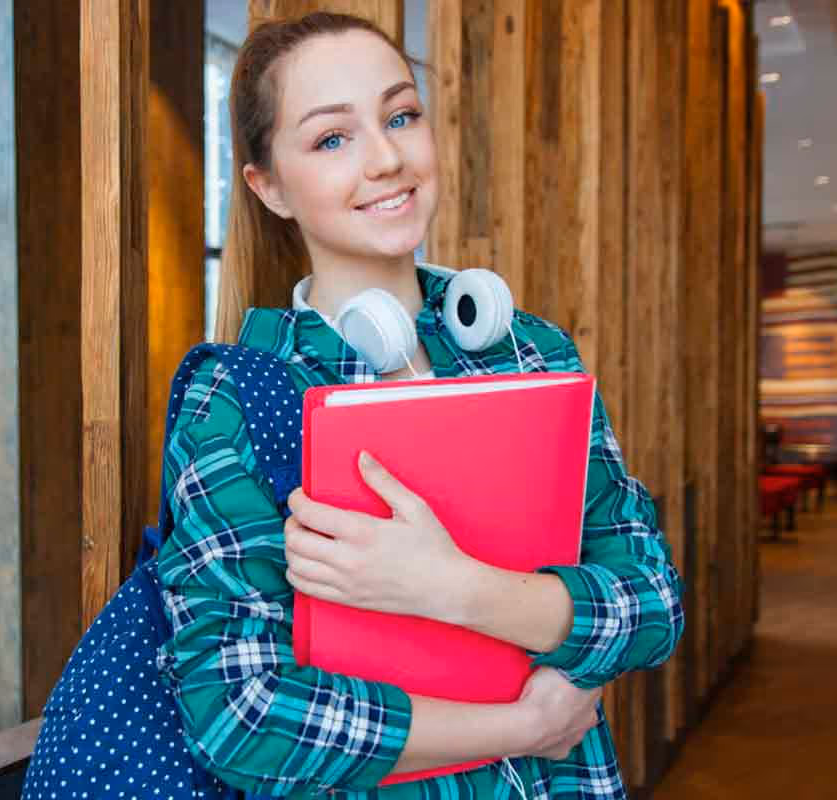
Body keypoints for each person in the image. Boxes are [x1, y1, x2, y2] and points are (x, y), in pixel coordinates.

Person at [156, 12, 684, 799]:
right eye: (333, 138)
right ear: (269, 187)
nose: (387, 158)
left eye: (401, 116)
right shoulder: (237, 398)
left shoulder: (531, 353)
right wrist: (521, 727)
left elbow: (653, 602)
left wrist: (454, 588)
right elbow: (240, 714)